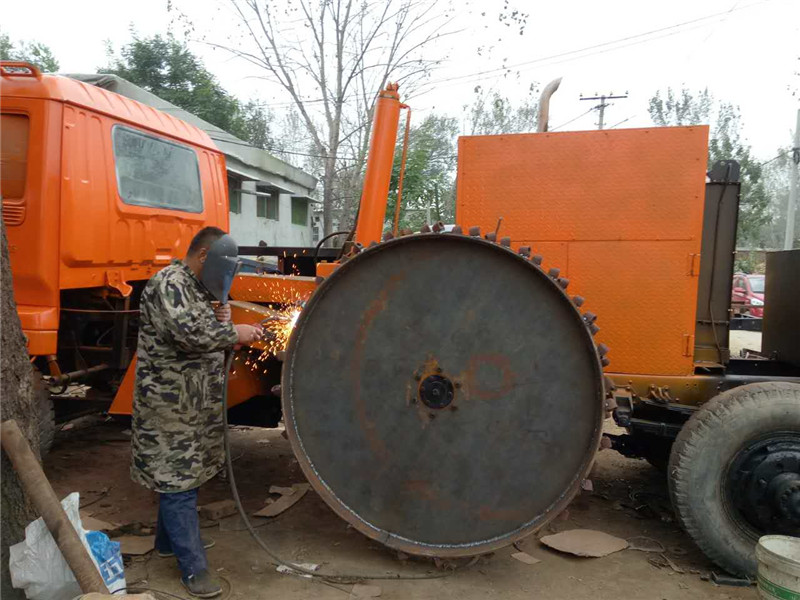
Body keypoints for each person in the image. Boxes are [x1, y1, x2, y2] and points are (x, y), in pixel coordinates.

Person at [131, 226, 263, 598]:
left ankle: (167, 544)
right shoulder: (169, 283)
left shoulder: (196, 288)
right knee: (178, 481)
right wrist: (234, 332)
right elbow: (188, 335)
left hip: (193, 402)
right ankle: (193, 569)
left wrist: (222, 318)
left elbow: (204, 329)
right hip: (169, 404)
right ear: (203, 255)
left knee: (181, 475)